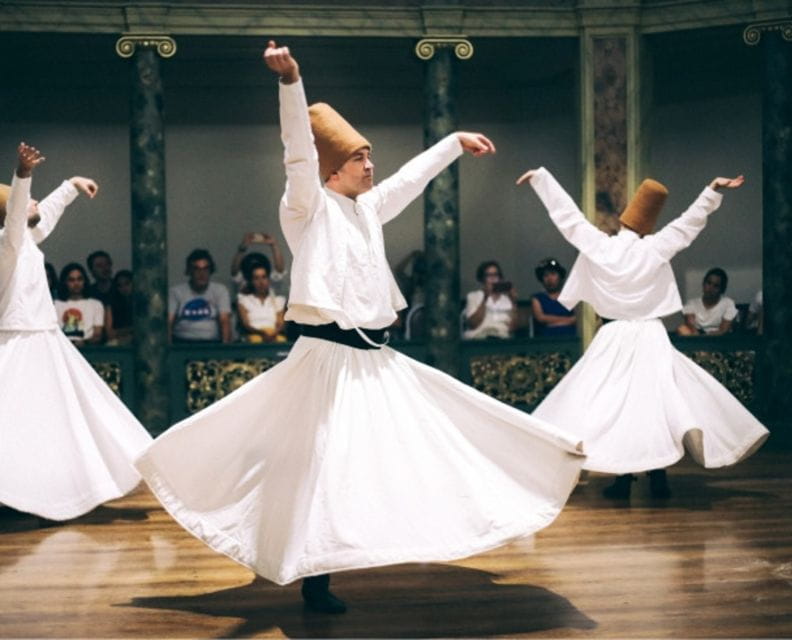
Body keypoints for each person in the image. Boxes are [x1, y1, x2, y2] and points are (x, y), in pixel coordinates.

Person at [135, 42, 584, 616]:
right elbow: (296, 152)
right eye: (361, 159)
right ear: (332, 169)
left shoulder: (369, 207)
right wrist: (291, 82)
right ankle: (315, 575)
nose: (372, 166)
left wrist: (453, 142)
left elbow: (411, 179)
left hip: (376, 359)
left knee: (431, 435)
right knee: (320, 461)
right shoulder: (306, 207)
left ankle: (420, 526)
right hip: (325, 360)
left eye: (371, 158)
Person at [517, 167, 767, 500]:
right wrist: (711, 190)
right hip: (650, 335)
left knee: (613, 404)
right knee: (652, 405)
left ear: (623, 220)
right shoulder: (655, 248)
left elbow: (570, 220)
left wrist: (542, 179)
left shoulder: (602, 247)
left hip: (615, 335)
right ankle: (657, 475)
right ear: (648, 225)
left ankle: (624, 478)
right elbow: (688, 224)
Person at [0, 142, 152, 520]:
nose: (34, 203)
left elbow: (42, 216)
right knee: (16, 421)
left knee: (63, 416)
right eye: (27, 201)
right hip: (19, 340)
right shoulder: (8, 243)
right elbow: (21, 215)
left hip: (42, 339)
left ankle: (43, 490)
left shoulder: (25, 243)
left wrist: (71, 185)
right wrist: (22, 174)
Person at [168, 249, 232, 343]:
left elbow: (225, 321)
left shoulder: (220, 290)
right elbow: (169, 322)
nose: (202, 274)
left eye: (205, 269)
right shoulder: (175, 292)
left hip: (212, 344)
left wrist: (225, 349)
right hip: (182, 343)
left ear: (211, 271)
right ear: (189, 271)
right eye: (196, 269)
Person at [463, 260, 518, 339]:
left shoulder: (507, 299)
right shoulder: (473, 296)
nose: (493, 278)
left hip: (501, 337)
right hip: (478, 337)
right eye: (488, 275)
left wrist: (514, 302)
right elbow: (473, 324)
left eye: (495, 275)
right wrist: (485, 297)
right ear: (482, 279)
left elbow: (513, 328)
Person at [54, 262, 106, 346]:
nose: (76, 283)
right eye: (71, 280)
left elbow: (97, 335)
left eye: (79, 279)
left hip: (88, 350)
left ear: (84, 281)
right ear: (65, 282)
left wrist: (84, 343)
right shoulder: (55, 305)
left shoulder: (96, 304)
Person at [236, 258, 286, 343]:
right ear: (251, 281)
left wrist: (272, 334)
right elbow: (246, 324)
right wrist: (262, 333)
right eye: (256, 278)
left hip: (274, 336)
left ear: (268, 280)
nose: (261, 282)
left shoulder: (278, 300)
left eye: (264, 277)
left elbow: (281, 324)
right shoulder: (243, 300)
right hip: (253, 337)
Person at [677, 267, 738, 336]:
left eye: (716, 286)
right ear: (703, 284)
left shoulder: (728, 303)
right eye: (708, 283)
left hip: (718, 338)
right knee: (682, 329)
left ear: (722, 289)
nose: (710, 288)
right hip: (696, 336)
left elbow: (724, 330)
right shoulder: (692, 303)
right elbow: (690, 325)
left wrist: (709, 335)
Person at [531, 257, 576, 337]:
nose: (550, 279)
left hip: (570, 338)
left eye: (553, 274)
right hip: (546, 340)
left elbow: (577, 318)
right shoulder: (537, 298)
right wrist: (568, 320)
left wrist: (553, 323)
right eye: (546, 275)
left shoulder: (570, 297)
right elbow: (541, 318)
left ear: (560, 276)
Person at [107, 269, 134, 345]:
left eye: (127, 283)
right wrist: (132, 329)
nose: (124, 288)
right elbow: (110, 333)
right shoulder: (111, 304)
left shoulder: (142, 304)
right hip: (119, 341)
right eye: (120, 286)